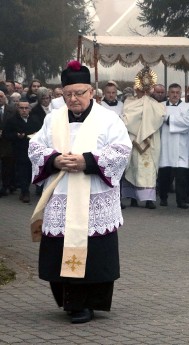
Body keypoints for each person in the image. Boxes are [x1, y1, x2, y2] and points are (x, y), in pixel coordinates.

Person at [28, 60, 132, 324]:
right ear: (62, 94)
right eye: (68, 94)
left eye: (79, 93)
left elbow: (121, 150)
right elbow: (35, 148)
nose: (73, 99)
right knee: (60, 250)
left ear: (91, 92)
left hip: (93, 196)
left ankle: (90, 303)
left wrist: (88, 161)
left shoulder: (108, 119)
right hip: (62, 195)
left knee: (96, 255)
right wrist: (54, 160)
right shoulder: (52, 119)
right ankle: (71, 303)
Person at [121, 67, 165, 209]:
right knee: (133, 167)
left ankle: (149, 200)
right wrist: (140, 125)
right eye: (141, 88)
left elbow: (160, 117)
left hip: (150, 139)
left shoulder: (155, 104)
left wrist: (145, 124)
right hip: (134, 138)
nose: (143, 91)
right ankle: (133, 197)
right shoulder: (129, 102)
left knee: (149, 169)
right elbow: (126, 119)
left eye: (146, 88)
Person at [158, 83, 189, 209]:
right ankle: (163, 198)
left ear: (181, 94)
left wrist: (168, 119)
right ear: (168, 93)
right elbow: (156, 121)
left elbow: (187, 123)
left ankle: (181, 200)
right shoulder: (161, 106)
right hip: (165, 144)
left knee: (181, 177)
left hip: (180, 145)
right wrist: (177, 121)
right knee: (164, 176)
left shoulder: (187, 107)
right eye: (172, 92)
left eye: (177, 92)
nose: (174, 95)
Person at [3, 97, 42, 202]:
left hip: (33, 150)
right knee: (22, 171)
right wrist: (16, 135)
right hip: (19, 150)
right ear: (17, 108)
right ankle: (25, 192)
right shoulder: (12, 120)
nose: (24, 110)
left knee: (30, 172)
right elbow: (6, 135)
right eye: (21, 108)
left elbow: (42, 133)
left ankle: (30, 189)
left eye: (26, 108)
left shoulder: (35, 119)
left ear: (29, 108)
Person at [0, 90, 17, 196]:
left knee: (7, 166)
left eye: (1, 96)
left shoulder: (12, 110)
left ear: (5, 97)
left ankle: (6, 186)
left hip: (8, 143)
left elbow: (15, 125)